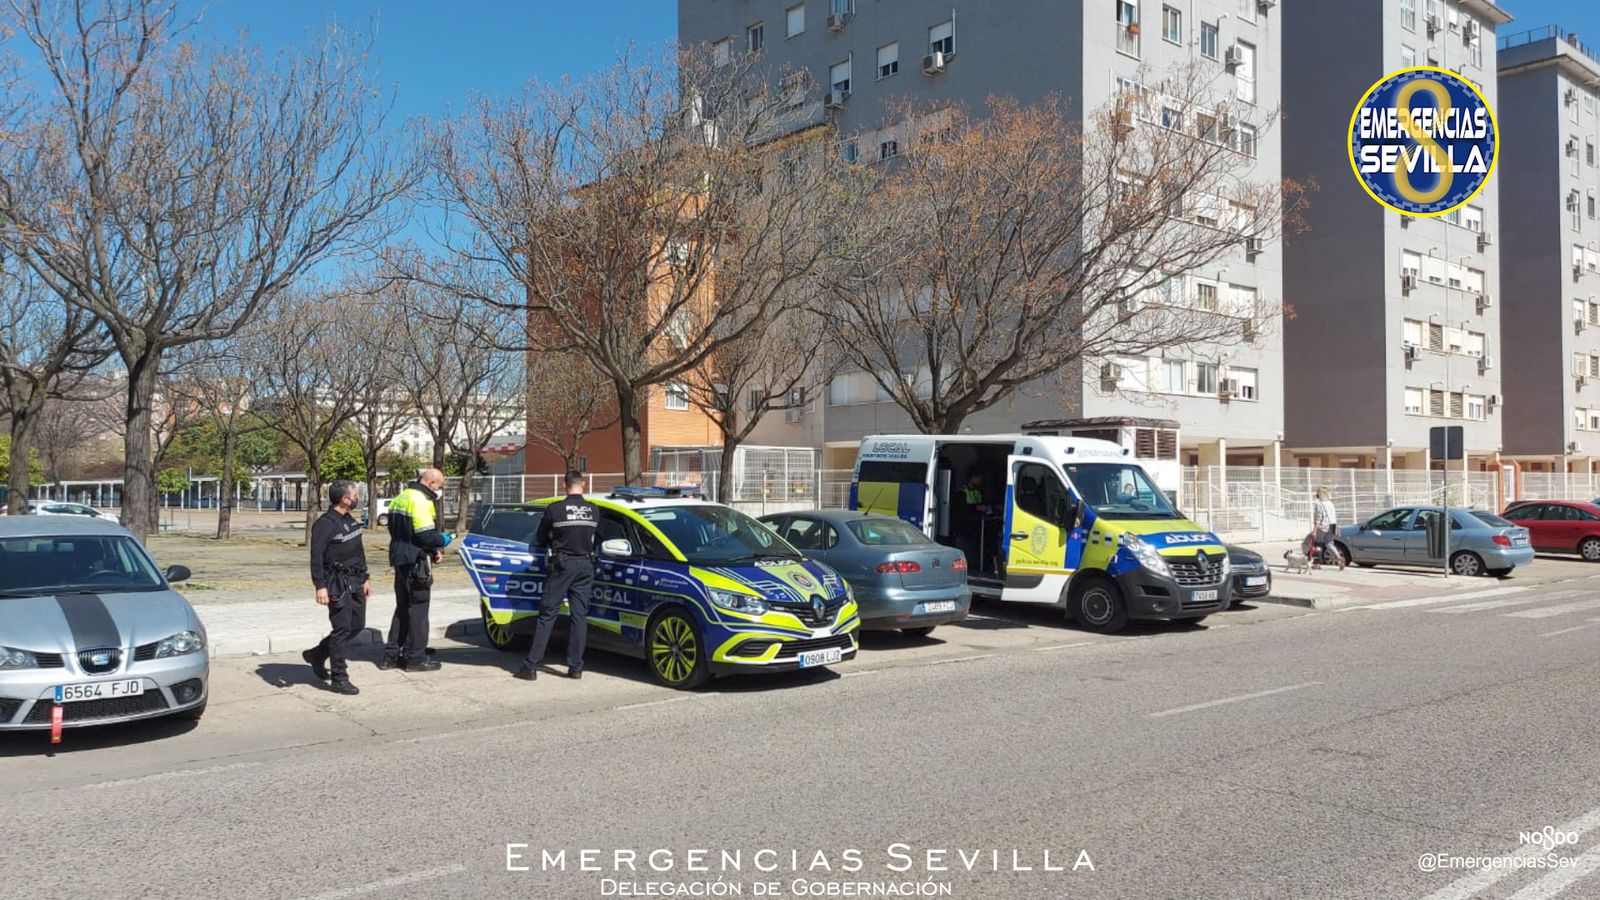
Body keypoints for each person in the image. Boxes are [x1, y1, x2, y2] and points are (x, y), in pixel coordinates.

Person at [515, 471, 597, 682]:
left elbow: (541, 538)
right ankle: (576, 667)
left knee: (548, 613)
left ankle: (531, 666)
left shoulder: (555, 510)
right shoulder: (594, 510)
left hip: (562, 565)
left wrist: (553, 538)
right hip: (586, 565)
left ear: (564, 486)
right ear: (583, 484)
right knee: (579, 617)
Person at [303, 479, 370, 695]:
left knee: (357, 625)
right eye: (355, 494)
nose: (357, 498)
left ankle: (317, 654)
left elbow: (358, 551)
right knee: (341, 629)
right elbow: (316, 557)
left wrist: (365, 577)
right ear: (344, 499)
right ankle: (340, 678)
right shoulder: (325, 524)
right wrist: (320, 586)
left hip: (356, 581)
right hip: (336, 583)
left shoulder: (350, 520)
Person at [383, 468, 452, 671]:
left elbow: (399, 531)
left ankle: (391, 655)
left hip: (399, 557)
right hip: (416, 561)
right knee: (419, 609)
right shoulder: (421, 501)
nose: (439, 491)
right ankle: (416, 658)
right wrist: (444, 541)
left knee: (402, 608)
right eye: (439, 487)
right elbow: (425, 536)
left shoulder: (400, 497)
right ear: (430, 483)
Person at [950, 471, 992, 570]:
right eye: (978, 478)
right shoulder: (962, 492)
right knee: (963, 550)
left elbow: (981, 503)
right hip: (963, 526)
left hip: (976, 526)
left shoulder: (978, 492)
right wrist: (976, 508)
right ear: (971, 478)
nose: (980, 481)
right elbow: (960, 510)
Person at [1311, 486, 1345, 571]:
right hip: (1332, 525)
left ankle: (1317, 564)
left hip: (1323, 526)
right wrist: (1336, 527)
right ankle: (1339, 558)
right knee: (1329, 544)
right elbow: (1334, 517)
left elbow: (1318, 518)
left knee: (1318, 544)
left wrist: (1314, 530)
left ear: (1319, 494)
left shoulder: (1319, 504)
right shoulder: (1331, 504)